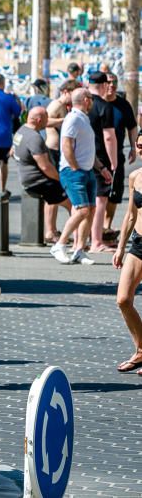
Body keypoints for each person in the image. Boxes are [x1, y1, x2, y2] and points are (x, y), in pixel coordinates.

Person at [52, 88, 112, 265]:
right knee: (82, 210)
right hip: (74, 171)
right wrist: (74, 167)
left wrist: (101, 169)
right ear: (86, 100)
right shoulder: (73, 118)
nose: (93, 102)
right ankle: (60, 244)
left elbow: (87, 150)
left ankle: (79, 249)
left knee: (90, 210)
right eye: (91, 99)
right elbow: (66, 145)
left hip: (87, 170)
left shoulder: (83, 118)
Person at [12, 107, 72, 240]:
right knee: (74, 204)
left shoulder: (21, 132)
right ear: (39, 120)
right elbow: (45, 167)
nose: (48, 122)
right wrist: (60, 179)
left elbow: (12, 152)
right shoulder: (34, 138)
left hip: (26, 178)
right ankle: (79, 239)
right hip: (38, 181)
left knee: (53, 199)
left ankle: (50, 232)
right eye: (46, 118)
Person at [112, 135, 142, 377]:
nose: (140, 149)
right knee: (123, 299)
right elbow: (131, 215)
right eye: (139, 145)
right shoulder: (135, 177)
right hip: (138, 244)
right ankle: (141, 348)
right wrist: (121, 247)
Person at [45, 80, 79, 241]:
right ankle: (50, 230)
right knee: (53, 192)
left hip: (57, 149)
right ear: (66, 92)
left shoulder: (63, 107)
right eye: (73, 94)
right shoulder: (56, 105)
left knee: (54, 193)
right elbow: (45, 120)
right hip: (52, 149)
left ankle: (52, 230)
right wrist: (64, 121)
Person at [86, 71, 117, 252]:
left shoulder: (82, 102)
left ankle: (81, 240)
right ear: (105, 85)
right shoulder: (104, 106)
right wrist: (113, 163)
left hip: (82, 157)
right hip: (100, 158)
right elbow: (109, 137)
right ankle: (96, 241)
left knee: (83, 202)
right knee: (100, 201)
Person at [104, 73, 138, 233]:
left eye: (114, 83)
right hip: (97, 155)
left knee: (115, 193)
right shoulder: (96, 103)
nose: (112, 86)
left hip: (117, 155)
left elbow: (132, 127)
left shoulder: (123, 105)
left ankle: (107, 226)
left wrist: (133, 147)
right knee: (97, 194)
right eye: (109, 82)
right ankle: (95, 230)